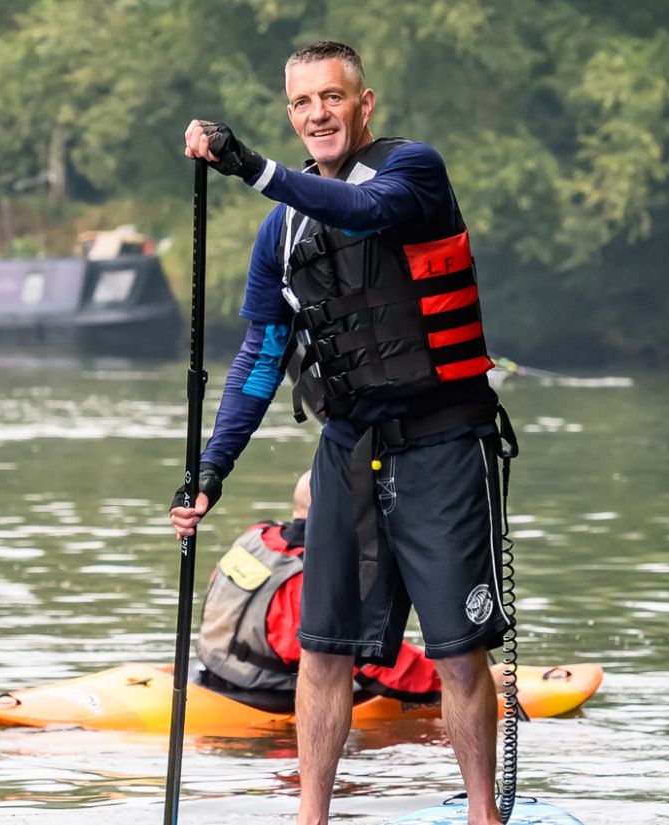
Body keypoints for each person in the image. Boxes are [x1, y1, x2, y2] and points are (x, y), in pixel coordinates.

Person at [172, 40, 515, 825]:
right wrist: (209, 470)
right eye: (301, 103)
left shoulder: (412, 174)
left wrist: (250, 166)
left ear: (365, 105)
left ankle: (482, 816)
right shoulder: (281, 234)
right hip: (349, 447)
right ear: (291, 114)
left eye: (332, 98)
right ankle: (311, 818)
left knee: (458, 650)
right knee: (323, 647)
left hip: (441, 438)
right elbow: (259, 359)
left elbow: (360, 211)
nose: (317, 114)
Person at [196, 469, 441, 703]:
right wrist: (450, 678)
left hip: (216, 664)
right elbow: (367, 657)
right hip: (262, 686)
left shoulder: (255, 536)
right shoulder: (314, 578)